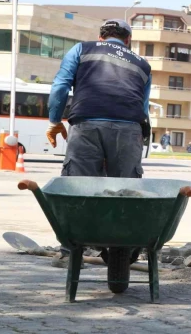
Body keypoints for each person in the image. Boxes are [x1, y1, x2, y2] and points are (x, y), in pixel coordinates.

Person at [46, 19, 151, 265]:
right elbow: (143, 107)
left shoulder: (82, 49)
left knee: (77, 187)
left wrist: (54, 121)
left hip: (86, 125)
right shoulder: (143, 64)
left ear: (101, 37)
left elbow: (60, 87)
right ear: (128, 40)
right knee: (126, 190)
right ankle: (121, 249)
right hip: (129, 129)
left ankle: (72, 252)